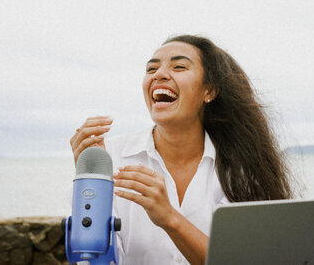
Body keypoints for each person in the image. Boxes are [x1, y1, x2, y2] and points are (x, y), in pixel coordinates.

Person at [69, 35, 293, 265]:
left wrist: (170, 219)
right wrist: (91, 184)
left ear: (209, 91)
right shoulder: (110, 157)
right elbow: (93, 260)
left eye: (179, 66)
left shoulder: (240, 169)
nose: (159, 74)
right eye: (151, 69)